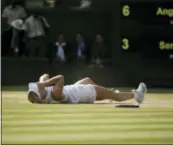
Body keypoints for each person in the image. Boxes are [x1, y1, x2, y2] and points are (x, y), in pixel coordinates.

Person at [27, 74, 147, 104]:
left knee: (87, 79)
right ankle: (137, 95)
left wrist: (42, 82)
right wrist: (44, 83)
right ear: (40, 92)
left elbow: (44, 75)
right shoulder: (54, 93)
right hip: (85, 93)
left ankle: (108, 93)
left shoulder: (45, 93)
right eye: (38, 87)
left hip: (76, 90)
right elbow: (60, 78)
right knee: (113, 95)